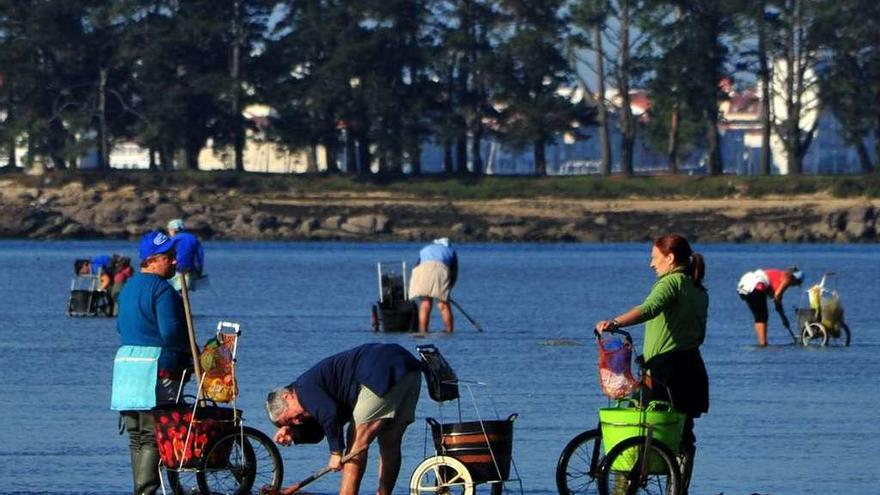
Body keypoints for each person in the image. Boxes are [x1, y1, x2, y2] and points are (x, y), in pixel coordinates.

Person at [595, 234, 709, 494]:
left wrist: (615, 322)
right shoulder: (697, 289)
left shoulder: (672, 282)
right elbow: (698, 332)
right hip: (692, 367)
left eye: (654, 258)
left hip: (666, 369)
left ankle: (623, 491)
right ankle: (678, 489)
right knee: (683, 434)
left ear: (670, 258)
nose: (651, 264)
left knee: (635, 425)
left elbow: (649, 308)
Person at [265, 343, 422, 495]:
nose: (297, 422)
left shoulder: (303, 390)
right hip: (408, 369)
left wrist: (336, 452)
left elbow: (330, 414)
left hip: (380, 371)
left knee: (356, 442)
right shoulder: (308, 392)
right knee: (390, 443)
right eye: (291, 423)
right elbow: (321, 430)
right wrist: (293, 434)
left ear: (287, 397)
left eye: (291, 418)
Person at [110, 231, 191, 495]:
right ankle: (145, 491)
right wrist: (190, 354)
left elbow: (121, 326)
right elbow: (171, 333)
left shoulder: (128, 287)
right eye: (170, 257)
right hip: (154, 368)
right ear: (153, 260)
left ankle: (140, 489)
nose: (175, 262)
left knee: (136, 437)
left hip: (125, 368)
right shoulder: (162, 290)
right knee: (153, 435)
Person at [737, 266, 804, 346]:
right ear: (795, 278)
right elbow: (777, 295)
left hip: (743, 286)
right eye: (797, 283)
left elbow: (775, 297)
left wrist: (782, 314)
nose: (794, 285)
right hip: (755, 285)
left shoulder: (779, 275)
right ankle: (763, 343)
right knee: (762, 317)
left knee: (758, 316)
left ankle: (762, 343)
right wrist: (783, 316)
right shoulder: (788, 279)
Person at [408, 238, 458, 332]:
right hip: (440, 270)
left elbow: (416, 266)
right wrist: (448, 289)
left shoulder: (426, 249)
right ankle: (449, 331)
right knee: (443, 305)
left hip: (420, 272)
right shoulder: (451, 251)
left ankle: (423, 331)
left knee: (425, 304)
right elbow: (454, 272)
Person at [166, 218, 205, 292]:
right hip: (190, 270)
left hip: (176, 269)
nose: (168, 232)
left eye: (169, 229)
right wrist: (199, 271)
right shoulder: (193, 238)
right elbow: (200, 256)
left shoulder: (172, 240)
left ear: (173, 230)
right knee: (184, 293)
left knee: (178, 292)